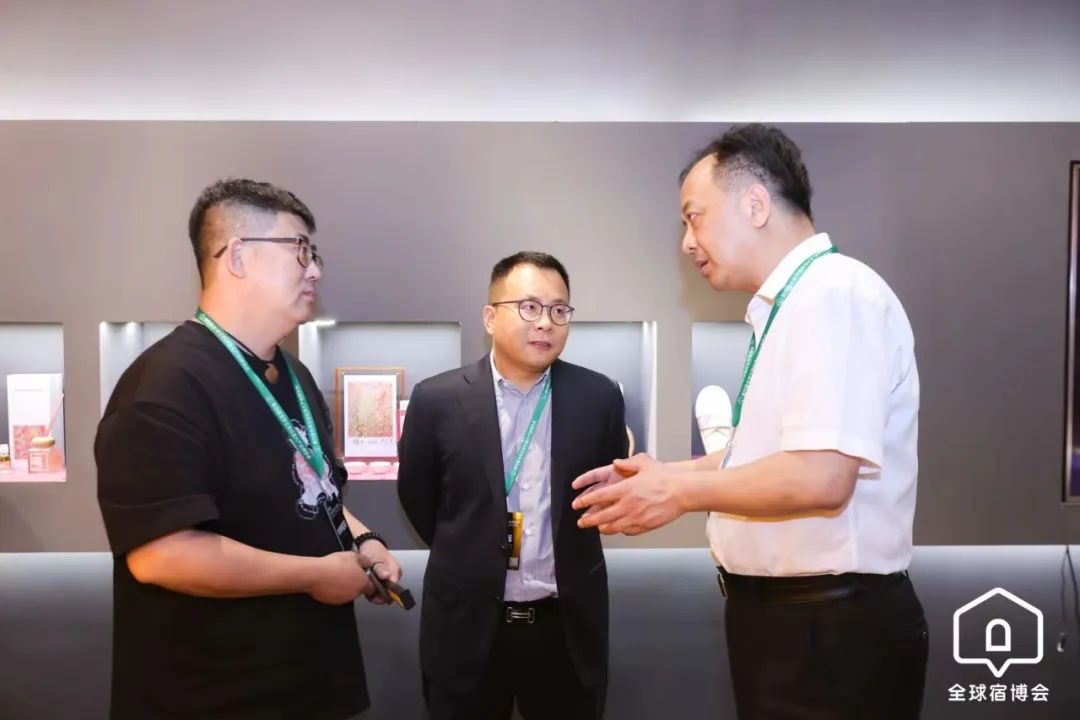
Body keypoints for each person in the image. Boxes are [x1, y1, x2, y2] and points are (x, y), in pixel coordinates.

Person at [573, 124, 928, 719]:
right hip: (792, 623)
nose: (687, 243)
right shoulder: (789, 305)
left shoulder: (833, 294)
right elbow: (765, 455)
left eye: (694, 218)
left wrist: (679, 493)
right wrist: (664, 474)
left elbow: (821, 476)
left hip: (829, 629)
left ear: (756, 205)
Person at [95, 178, 401, 720]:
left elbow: (315, 489)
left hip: (311, 683)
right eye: (299, 249)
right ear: (236, 256)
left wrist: (364, 540)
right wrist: (315, 575)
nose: (315, 270)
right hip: (214, 693)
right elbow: (164, 554)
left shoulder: (295, 376)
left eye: (315, 253)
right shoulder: (164, 385)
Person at [398, 252, 628, 719]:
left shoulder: (598, 397)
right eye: (529, 307)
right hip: (468, 627)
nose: (545, 323)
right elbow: (420, 500)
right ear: (490, 317)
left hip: (564, 629)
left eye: (559, 310)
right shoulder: (436, 399)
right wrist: (472, 546)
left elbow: (605, 492)